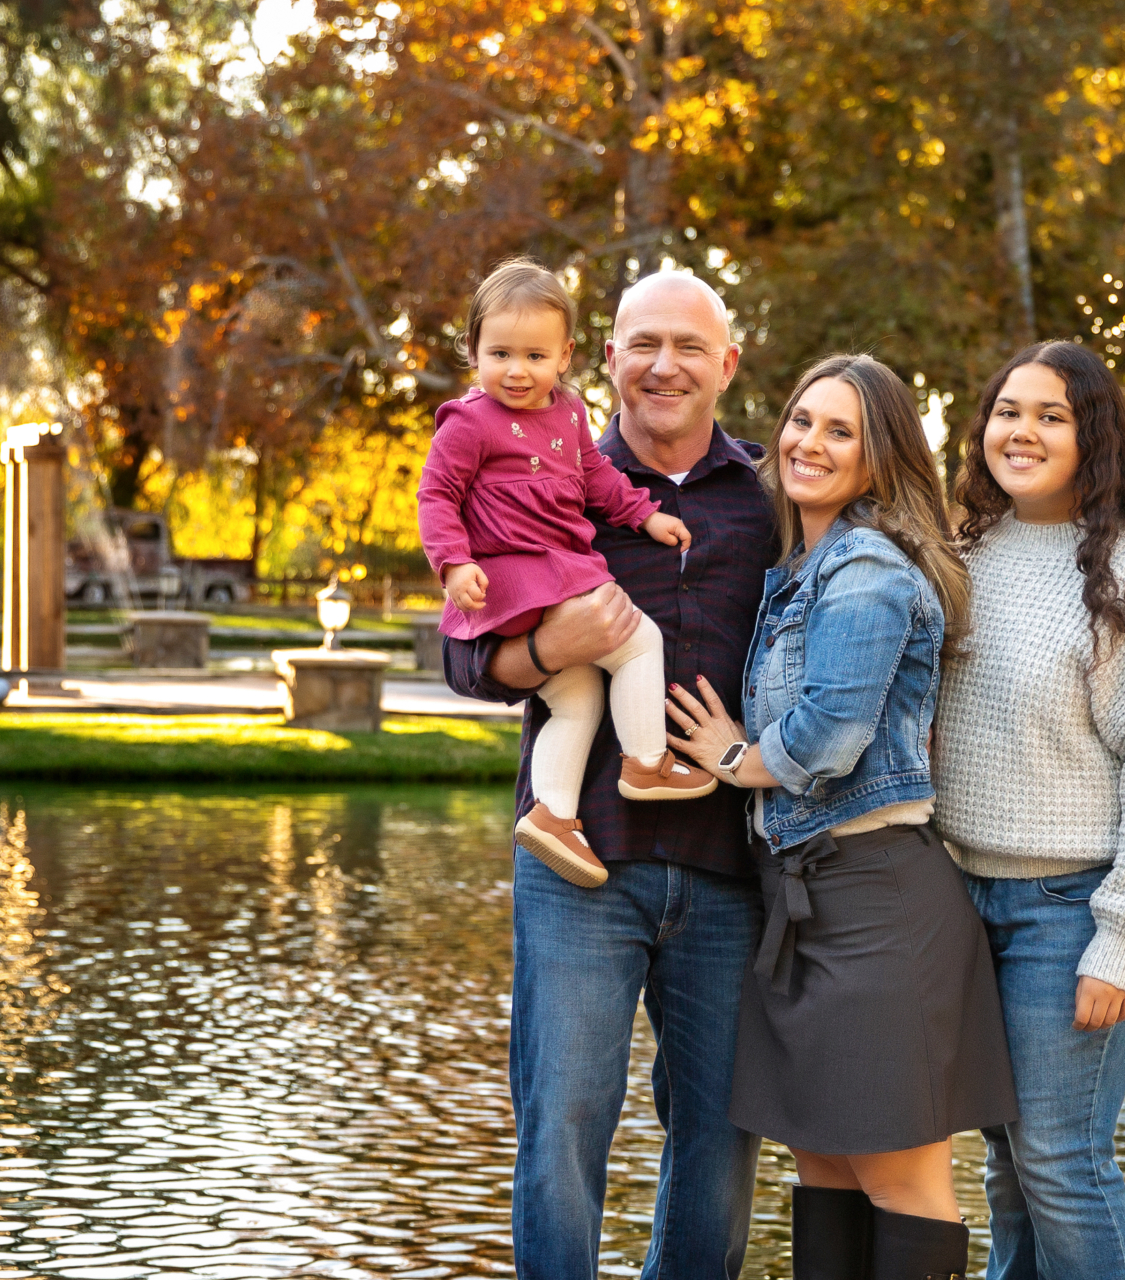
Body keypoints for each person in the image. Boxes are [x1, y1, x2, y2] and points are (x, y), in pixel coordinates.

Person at [442, 271, 775, 1279]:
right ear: (611, 358)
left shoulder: (770, 502)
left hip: (728, 864)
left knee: (719, 1134)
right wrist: (553, 650)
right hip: (581, 859)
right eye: (643, 344)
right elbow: (466, 656)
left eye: (687, 345)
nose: (663, 364)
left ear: (726, 363)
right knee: (564, 1123)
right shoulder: (535, 469)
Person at [665, 354, 1017, 1280]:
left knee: (900, 1176)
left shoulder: (864, 564)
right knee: (822, 1161)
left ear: (879, 456)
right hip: (801, 899)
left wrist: (740, 761)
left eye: (839, 430)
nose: (807, 443)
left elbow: (830, 733)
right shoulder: (803, 568)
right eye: (800, 421)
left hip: (876, 904)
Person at [932, 340, 1125, 1279]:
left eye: (1049, 415)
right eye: (1007, 411)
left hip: (1070, 911)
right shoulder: (959, 551)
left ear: (1091, 436)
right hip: (961, 900)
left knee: (1062, 1162)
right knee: (1009, 1169)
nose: (1020, 431)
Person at [419, 260, 719, 890]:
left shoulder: (567, 413)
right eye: (499, 353)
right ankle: (647, 761)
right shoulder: (468, 422)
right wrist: (453, 564)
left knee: (575, 696)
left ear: (566, 358)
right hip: (522, 573)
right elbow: (437, 497)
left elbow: (598, 481)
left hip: (553, 574)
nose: (517, 370)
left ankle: (553, 813)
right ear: (472, 350)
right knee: (640, 641)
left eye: (535, 355)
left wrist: (647, 517)